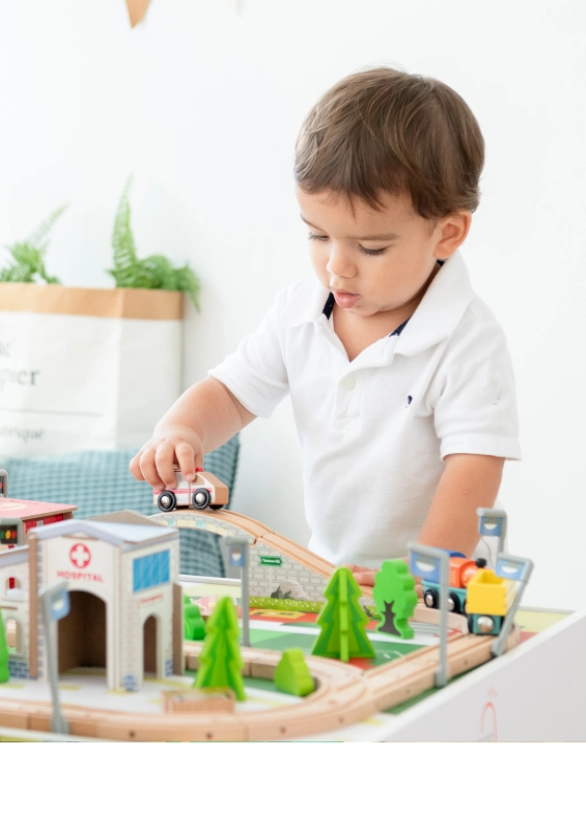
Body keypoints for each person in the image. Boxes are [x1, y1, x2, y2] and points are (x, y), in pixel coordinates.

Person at [131, 68, 520, 583]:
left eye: (371, 247)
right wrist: (181, 429)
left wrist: (423, 572)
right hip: (332, 572)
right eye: (318, 235)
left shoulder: (467, 340)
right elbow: (230, 392)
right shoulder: (299, 313)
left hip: (437, 585)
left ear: (447, 234)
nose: (338, 266)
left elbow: (473, 472)